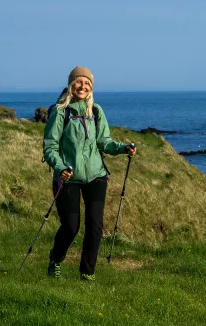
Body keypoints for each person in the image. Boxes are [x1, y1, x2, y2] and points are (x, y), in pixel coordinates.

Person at [43, 65, 137, 281]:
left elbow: (104, 142)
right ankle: (56, 260)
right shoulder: (59, 112)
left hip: (96, 175)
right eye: (78, 82)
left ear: (91, 88)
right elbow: (50, 147)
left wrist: (123, 148)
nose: (82, 86)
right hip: (68, 176)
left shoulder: (95, 111)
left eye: (86, 83)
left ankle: (87, 273)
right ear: (70, 84)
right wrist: (60, 168)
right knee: (71, 226)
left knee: (95, 226)